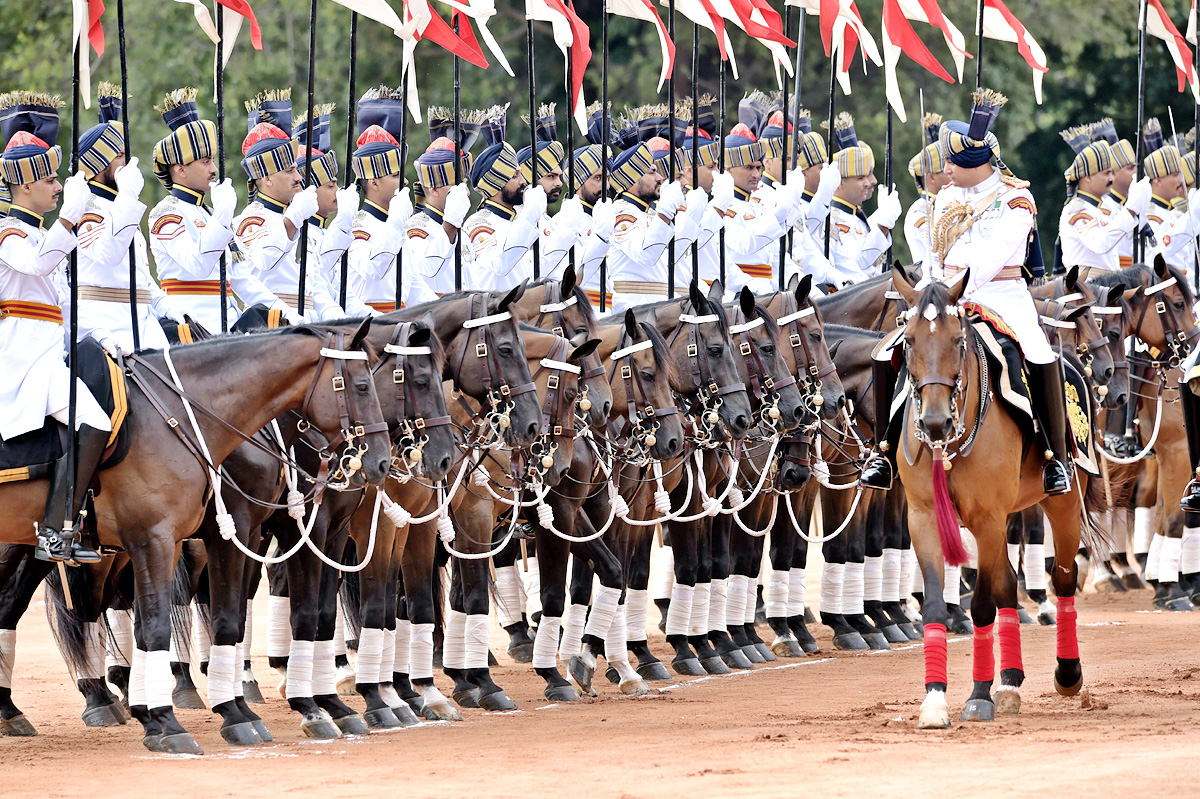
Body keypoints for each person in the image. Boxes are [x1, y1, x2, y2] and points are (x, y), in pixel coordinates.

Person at [860, 88, 1072, 496]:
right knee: (887, 350)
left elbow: (991, 259)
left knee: (1038, 353)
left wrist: (950, 293)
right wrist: (927, 294)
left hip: (1000, 294)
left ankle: (1053, 457)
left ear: (969, 162)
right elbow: (937, 256)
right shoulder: (947, 196)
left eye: (951, 162)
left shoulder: (1016, 199)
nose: (945, 169)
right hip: (945, 295)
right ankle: (883, 451)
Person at [0, 90, 108, 563]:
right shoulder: (9, 232)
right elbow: (39, 267)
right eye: (50, 180)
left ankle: (76, 521)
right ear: (24, 187)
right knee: (93, 421)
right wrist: (67, 220)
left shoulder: (44, 232)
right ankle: (56, 528)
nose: (58, 188)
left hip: (50, 352)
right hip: (22, 356)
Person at [149, 87, 283, 333]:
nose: (213, 168)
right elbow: (198, 265)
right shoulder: (165, 213)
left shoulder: (208, 213)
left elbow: (242, 279)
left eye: (212, 160)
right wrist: (223, 214)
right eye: (205, 161)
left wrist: (285, 313)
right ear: (180, 169)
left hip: (229, 324)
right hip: (192, 327)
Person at [74, 82, 178, 354]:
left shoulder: (119, 205)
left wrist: (165, 305)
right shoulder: (87, 209)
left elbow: (140, 279)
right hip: (106, 327)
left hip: (146, 325)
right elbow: (109, 254)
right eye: (120, 156)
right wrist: (128, 196)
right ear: (98, 164)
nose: (128, 163)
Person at [234, 90, 339, 322]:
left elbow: (314, 283)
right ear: (267, 178)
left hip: (308, 324)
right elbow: (265, 260)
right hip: (271, 326)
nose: (298, 178)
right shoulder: (250, 219)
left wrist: (333, 314)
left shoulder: (298, 220)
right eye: (289, 171)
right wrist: (292, 219)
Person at [348, 87, 435, 312]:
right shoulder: (356, 226)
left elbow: (416, 291)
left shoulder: (395, 226)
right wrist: (395, 223)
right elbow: (371, 268)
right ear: (374, 182)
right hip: (366, 332)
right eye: (396, 176)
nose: (405, 182)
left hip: (399, 327)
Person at [293, 102, 374, 317]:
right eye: (330, 186)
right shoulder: (299, 233)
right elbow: (315, 285)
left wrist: (371, 317)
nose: (337, 192)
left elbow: (339, 289)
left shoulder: (321, 232)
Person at [463, 106, 546, 291]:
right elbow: (500, 265)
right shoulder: (479, 224)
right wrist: (530, 214)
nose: (523, 181)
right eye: (514, 176)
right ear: (495, 183)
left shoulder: (516, 219)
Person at [606, 142, 688, 313]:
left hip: (656, 309)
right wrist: (665, 211)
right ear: (632, 178)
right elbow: (645, 255)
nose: (659, 178)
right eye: (652, 172)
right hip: (633, 313)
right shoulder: (621, 212)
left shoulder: (645, 214)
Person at [1056, 125, 1149, 272]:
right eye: (1107, 174)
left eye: (1112, 172)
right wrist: (1130, 209)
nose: (1112, 178)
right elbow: (1100, 244)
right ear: (1087, 177)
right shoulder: (1076, 210)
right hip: (1087, 287)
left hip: (1107, 285)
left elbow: (1124, 236)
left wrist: (1141, 204)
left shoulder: (1097, 210)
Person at [827, 112, 902, 284]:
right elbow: (857, 263)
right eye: (862, 178)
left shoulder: (856, 217)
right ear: (839, 183)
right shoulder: (834, 218)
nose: (872, 181)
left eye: (870, 175)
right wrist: (883, 225)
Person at [406, 137, 475, 297]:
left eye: (465, 184)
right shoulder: (416, 230)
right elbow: (428, 270)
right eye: (457, 185)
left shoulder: (462, 234)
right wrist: (450, 224)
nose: (466, 192)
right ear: (434, 189)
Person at [1088, 118, 1139, 269]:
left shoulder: (1123, 203)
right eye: (1130, 168)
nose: (1136, 172)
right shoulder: (1105, 207)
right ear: (1113, 174)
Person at [904, 113, 951, 267]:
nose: (952, 172)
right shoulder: (921, 209)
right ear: (931, 177)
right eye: (946, 170)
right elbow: (938, 248)